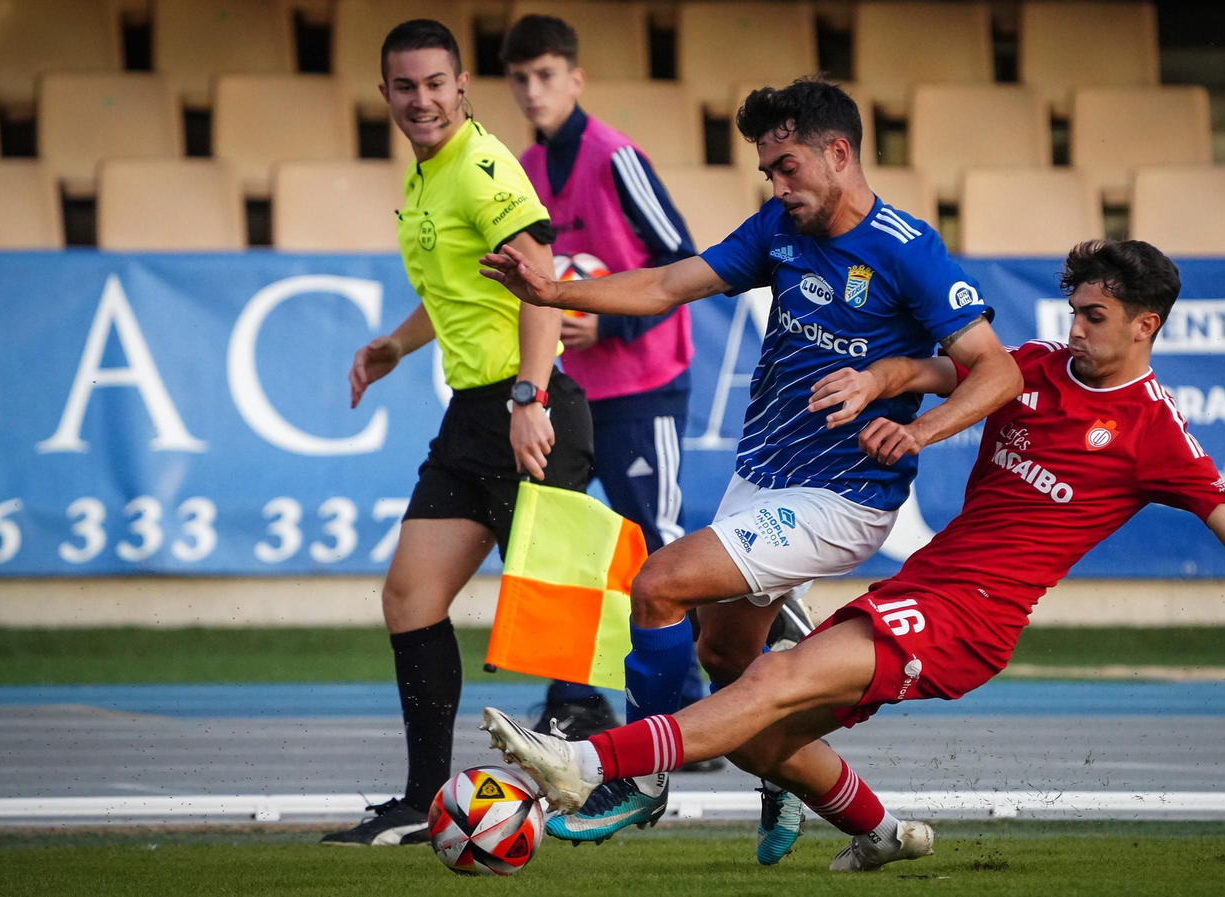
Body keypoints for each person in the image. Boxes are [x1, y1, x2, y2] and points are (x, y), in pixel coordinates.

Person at [478, 239, 1225, 871]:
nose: (1077, 328)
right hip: (926, 587)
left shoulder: (1155, 433)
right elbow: (942, 371)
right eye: (1073, 311)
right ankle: (887, 831)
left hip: (972, 616)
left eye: (1095, 316)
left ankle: (589, 765)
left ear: (1145, 325)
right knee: (762, 737)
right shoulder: (1036, 367)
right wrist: (883, 380)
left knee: (761, 687)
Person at [479, 78, 1023, 856]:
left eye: (788, 165)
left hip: (842, 497)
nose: (776, 183)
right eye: (768, 169)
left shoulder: (908, 251)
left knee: (658, 583)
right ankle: (876, 827)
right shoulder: (778, 227)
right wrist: (554, 288)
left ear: (839, 153)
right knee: (729, 668)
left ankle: (637, 778)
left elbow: (997, 371)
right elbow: (671, 283)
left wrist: (918, 426)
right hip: (763, 480)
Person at [320, 19, 595, 847]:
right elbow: (457, 288)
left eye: (435, 83)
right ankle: (419, 799)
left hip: (527, 411)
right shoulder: (425, 177)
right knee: (410, 596)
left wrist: (529, 396)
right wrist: (396, 345)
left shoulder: (480, 169)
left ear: (461, 82)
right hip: (472, 416)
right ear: (386, 96)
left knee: (565, 623)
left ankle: (636, 768)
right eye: (405, 87)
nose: (421, 100)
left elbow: (539, 285)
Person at [498, 14, 726, 752]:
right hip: (571, 393)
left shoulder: (616, 157)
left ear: (574, 77)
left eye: (545, 75)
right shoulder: (525, 170)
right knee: (561, 542)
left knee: (657, 548)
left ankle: (686, 711)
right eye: (520, 78)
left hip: (644, 384)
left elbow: (681, 258)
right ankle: (576, 704)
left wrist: (612, 326)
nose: (532, 90)